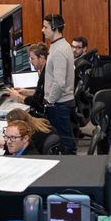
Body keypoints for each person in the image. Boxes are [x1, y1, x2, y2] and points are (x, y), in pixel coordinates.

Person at [39, 14, 77, 152]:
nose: (43, 30)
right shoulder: (60, 45)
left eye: (45, 27)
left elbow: (59, 83)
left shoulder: (59, 51)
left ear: (55, 28)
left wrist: (49, 100)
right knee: (65, 139)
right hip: (60, 102)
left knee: (64, 142)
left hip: (59, 104)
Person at [6, 43, 49, 114]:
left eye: (32, 59)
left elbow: (37, 102)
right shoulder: (45, 70)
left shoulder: (46, 74)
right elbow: (41, 93)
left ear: (41, 58)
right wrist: (25, 91)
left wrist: (18, 97)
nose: (30, 62)